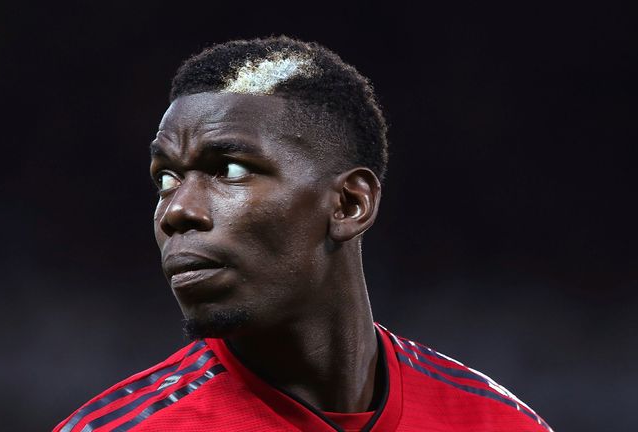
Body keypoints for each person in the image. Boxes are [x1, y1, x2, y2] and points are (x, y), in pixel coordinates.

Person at [54, 36, 552, 432]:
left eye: (228, 169)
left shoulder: (496, 423)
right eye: (165, 178)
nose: (176, 210)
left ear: (350, 204)